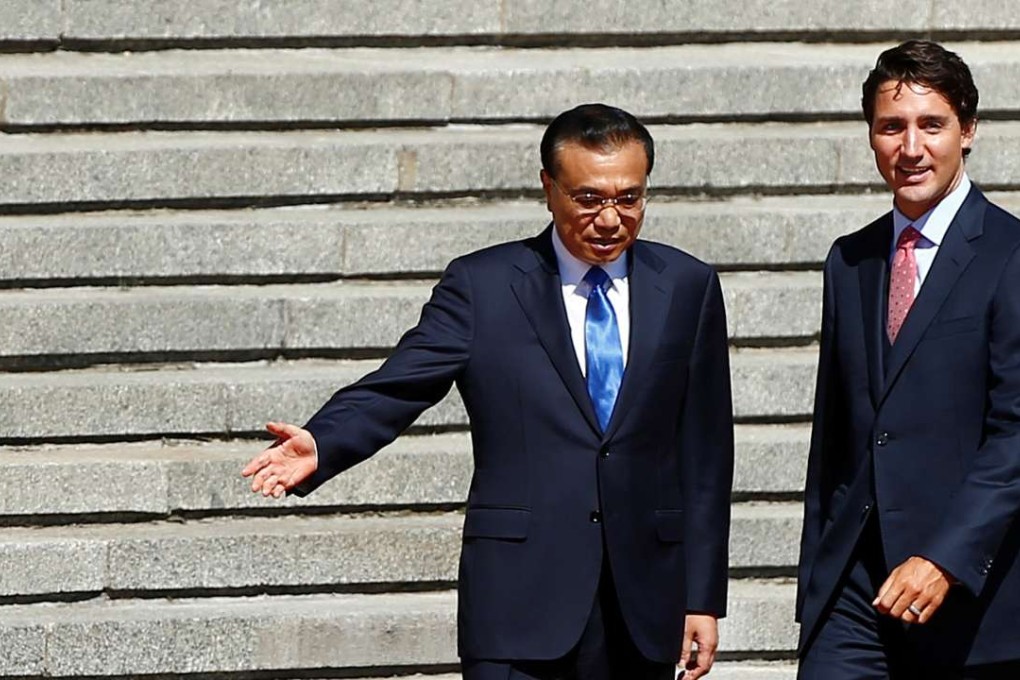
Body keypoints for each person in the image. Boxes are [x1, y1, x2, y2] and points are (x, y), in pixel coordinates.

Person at [242, 103, 734, 679]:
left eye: (629, 198)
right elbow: (401, 383)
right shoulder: (485, 285)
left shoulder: (687, 285)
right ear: (549, 188)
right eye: (589, 198)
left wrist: (701, 596)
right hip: (518, 600)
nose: (610, 219)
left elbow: (705, 454)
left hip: (642, 603)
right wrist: (324, 442)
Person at [796, 40, 1020, 679]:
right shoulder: (851, 259)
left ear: (968, 130)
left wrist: (945, 559)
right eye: (892, 127)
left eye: (932, 125)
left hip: (971, 589)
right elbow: (835, 438)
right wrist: (818, 579)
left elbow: (1016, 433)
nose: (911, 147)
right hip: (853, 592)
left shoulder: (1009, 254)